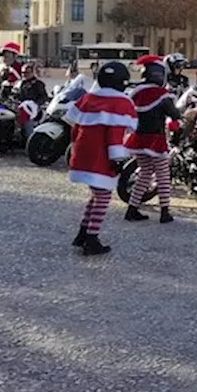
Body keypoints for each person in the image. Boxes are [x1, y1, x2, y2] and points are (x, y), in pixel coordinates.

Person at [65, 61, 138, 256]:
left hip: (82, 154)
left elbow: (75, 127)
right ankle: (92, 238)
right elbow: (115, 135)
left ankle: (82, 233)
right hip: (101, 158)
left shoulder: (88, 99)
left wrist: (74, 149)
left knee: (96, 196)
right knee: (103, 197)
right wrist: (118, 159)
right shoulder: (121, 103)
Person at [124, 56, 183, 223]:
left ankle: (132, 208)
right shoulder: (162, 94)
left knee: (144, 173)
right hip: (155, 140)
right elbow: (175, 114)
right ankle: (165, 212)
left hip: (137, 138)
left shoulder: (135, 92)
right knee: (163, 175)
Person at [15, 63, 51, 142]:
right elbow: (15, 94)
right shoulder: (19, 83)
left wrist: (34, 104)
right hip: (19, 106)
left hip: (32, 109)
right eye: (23, 73)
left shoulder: (38, 84)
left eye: (27, 73)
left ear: (32, 73)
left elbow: (44, 97)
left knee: (27, 117)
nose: (24, 75)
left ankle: (30, 141)